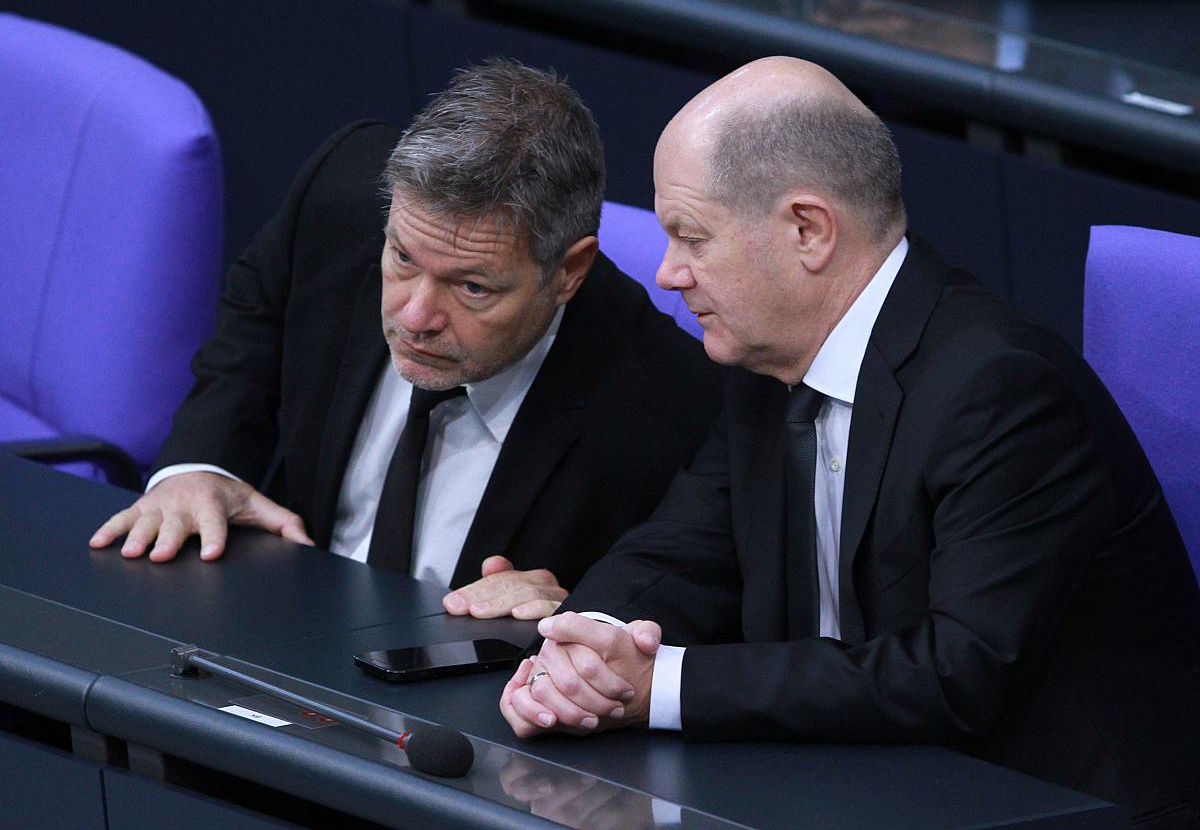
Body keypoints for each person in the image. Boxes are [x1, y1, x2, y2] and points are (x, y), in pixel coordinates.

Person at [500, 56, 1200, 824]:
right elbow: (682, 548)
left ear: (808, 230)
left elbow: (953, 675)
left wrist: (659, 686)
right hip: (843, 775)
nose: (669, 273)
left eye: (692, 238)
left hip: (1039, 803)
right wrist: (587, 647)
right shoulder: (768, 358)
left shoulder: (1001, 389)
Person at [89, 59, 724, 621]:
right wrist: (202, 465)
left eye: (472, 287)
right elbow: (258, 310)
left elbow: (678, 596)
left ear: (569, 273)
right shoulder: (339, 201)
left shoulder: (670, 405)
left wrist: (582, 613)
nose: (416, 316)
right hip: (275, 619)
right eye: (402, 259)